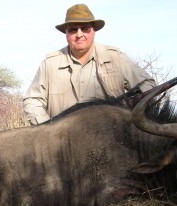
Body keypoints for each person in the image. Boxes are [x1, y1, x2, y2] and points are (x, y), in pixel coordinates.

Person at [23, 4, 156, 125]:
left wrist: (129, 109)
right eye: (73, 30)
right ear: (66, 34)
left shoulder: (116, 57)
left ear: (94, 31)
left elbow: (148, 86)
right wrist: (48, 129)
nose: (79, 35)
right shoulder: (50, 64)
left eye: (85, 29)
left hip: (111, 136)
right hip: (63, 143)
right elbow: (32, 101)